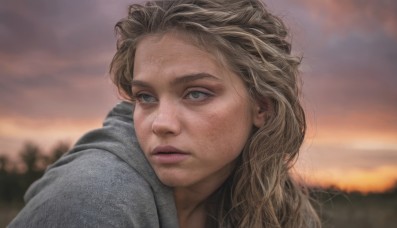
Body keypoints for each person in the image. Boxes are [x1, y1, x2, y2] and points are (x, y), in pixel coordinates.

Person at [9, 0, 320, 227]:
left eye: (196, 93)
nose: (161, 124)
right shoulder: (94, 203)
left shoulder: (270, 198)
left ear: (262, 107)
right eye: (145, 97)